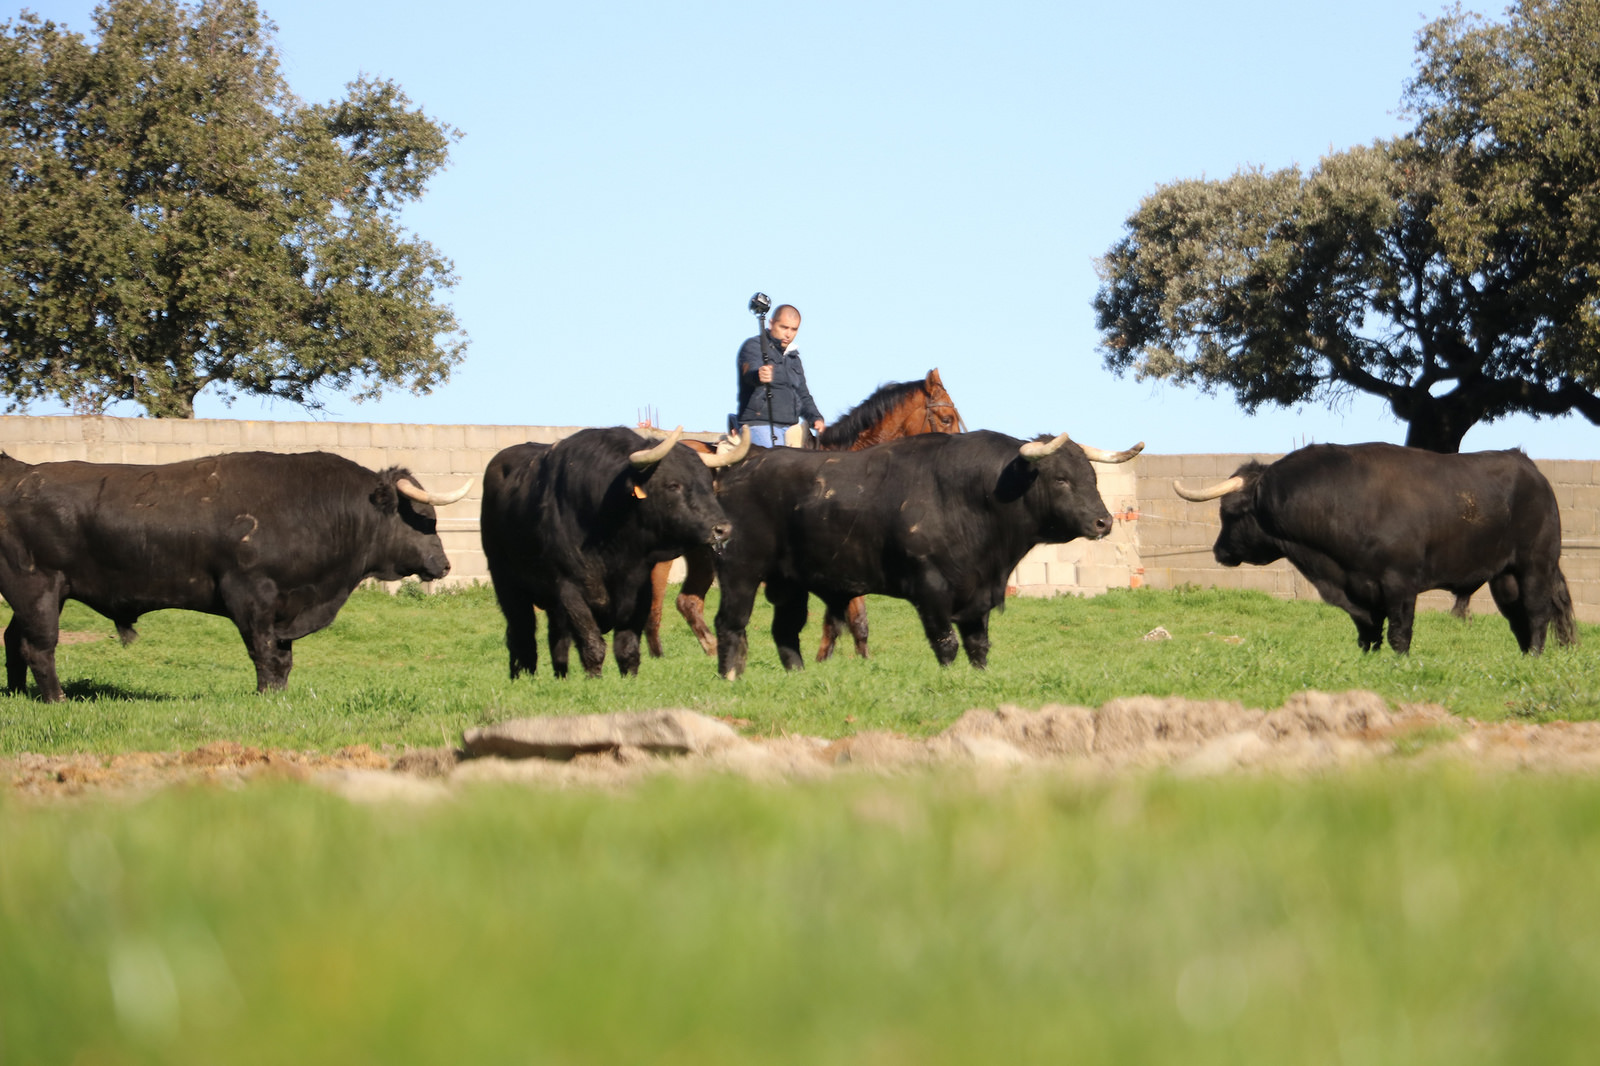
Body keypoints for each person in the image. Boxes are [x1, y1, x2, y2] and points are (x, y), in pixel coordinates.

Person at [734, 303, 825, 448]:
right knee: (776, 463)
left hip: (791, 427)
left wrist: (816, 418)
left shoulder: (794, 358)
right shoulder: (754, 346)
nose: (788, 334)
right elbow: (749, 372)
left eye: (793, 329)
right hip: (759, 425)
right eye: (784, 327)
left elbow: (803, 395)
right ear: (771, 323)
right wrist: (758, 375)